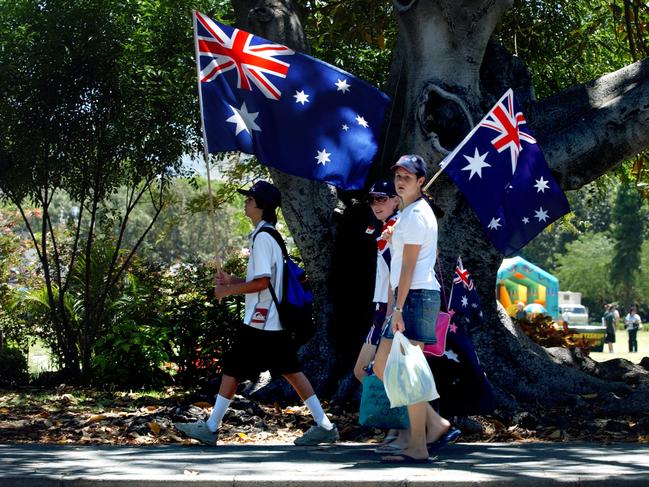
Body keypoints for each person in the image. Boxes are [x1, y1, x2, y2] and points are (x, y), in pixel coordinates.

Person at [175, 181, 338, 446]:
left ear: (261, 205)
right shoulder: (269, 234)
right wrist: (232, 279)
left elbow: (263, 283)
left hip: (261, 320)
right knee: (291, 371)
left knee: (234, 368)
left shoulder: (263, 238)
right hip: (271, 320)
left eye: (250, 199)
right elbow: (265, 280)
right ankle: (325, 425)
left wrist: (228, 291)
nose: (246, 202)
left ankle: (211, 427)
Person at [372, 155, 458, 464]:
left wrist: (397, 308)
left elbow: (408, 268)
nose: (401, 180)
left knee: (408, 372)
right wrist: (396, 239)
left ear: (421, 182)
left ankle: (419, 445)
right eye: (398, 174)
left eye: (408, 176)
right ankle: (434, 425)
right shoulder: (410, 215)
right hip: (414, 297)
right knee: (383, 366)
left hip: (415, 297)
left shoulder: (415, 215)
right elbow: (408, 256)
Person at [352, 179, 405, 453]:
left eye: (382, 198)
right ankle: (399, 427)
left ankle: (403, 429)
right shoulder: (388, 228)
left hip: (389, 310)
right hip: (381, 309)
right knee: (366, 370)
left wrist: (392, 312)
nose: (376, 205)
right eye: (372, 200)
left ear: (396, 200)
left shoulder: (395, 228)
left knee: (376, 370)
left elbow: (396, 277)